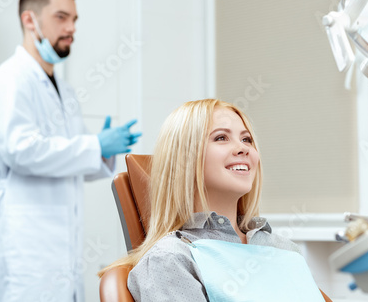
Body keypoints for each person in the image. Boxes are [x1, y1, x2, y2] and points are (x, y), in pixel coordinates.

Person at [0, 0, 141, 302]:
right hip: (25, 240)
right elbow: (21, 151)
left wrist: (102, 154)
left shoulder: (64, 91)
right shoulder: (8, 80)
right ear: (30, 20)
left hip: (62, 243)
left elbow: (69, 161)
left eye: (75, 20)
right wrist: (95, 145)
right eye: (61, 18)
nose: (71, 29)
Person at [99, 99, 331, 301]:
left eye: (247, 139)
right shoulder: (171, 260)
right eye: (221, 138)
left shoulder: (282, 248)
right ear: (184, 161)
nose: (242, 148)